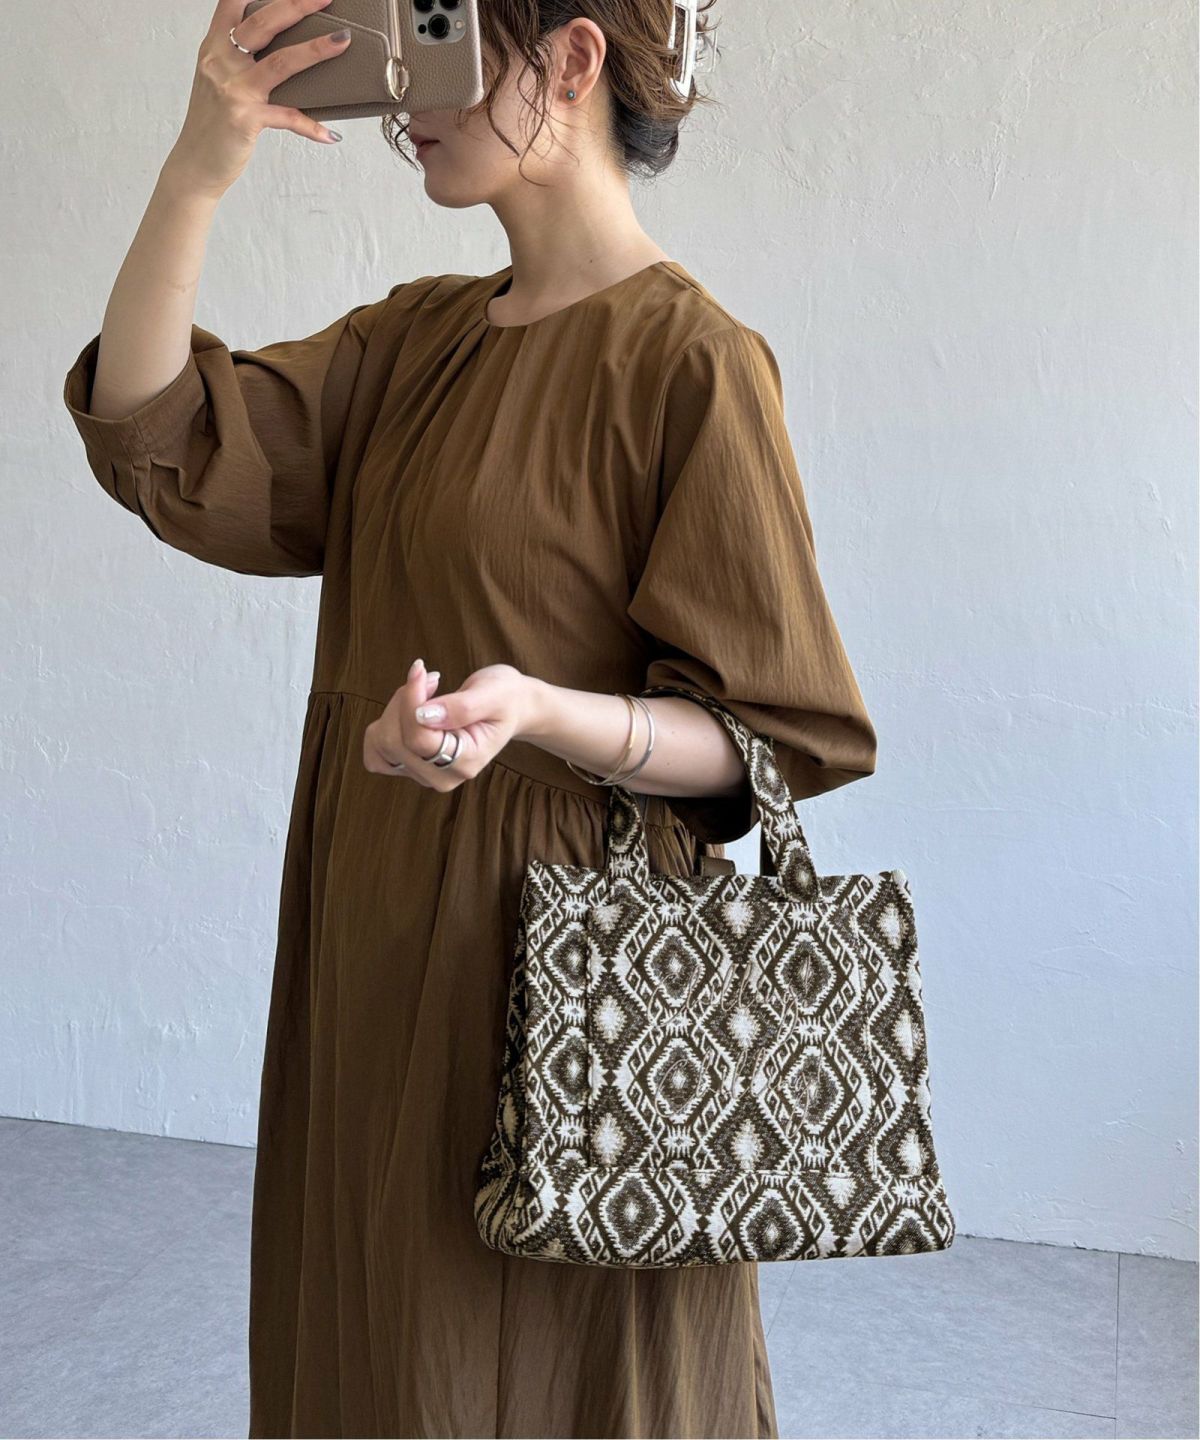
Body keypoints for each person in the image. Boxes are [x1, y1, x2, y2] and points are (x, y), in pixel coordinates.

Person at [61, 1, 878, 1434]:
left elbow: (770, 735)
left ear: (572, 58)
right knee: (383, 1350)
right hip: (381, 931)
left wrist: (541, 712)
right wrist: (200, 164)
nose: (404, 100)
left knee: (571, 1370)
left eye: (442, 43)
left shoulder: (691, 361)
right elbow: (158, 432)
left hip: (577, 977)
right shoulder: (413, 343)